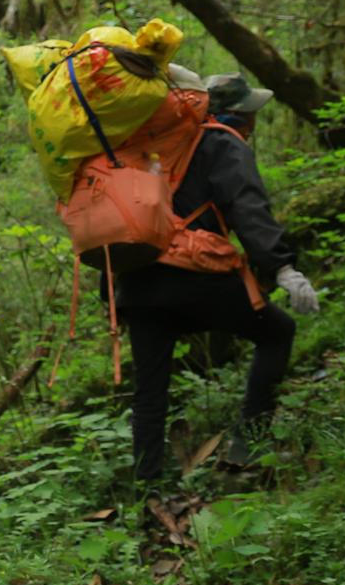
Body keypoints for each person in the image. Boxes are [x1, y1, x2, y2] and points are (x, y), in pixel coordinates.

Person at [118, 73, 320, 480]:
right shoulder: (222, 142)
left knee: (150, 390)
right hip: (196, 276)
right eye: (251, 115)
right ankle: (249, 445)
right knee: (276, 332)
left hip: (137, 282)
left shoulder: (146, 147)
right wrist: (282, 267)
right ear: (236, 117)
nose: (253, 123)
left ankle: (146, 492)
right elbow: (248, 208)